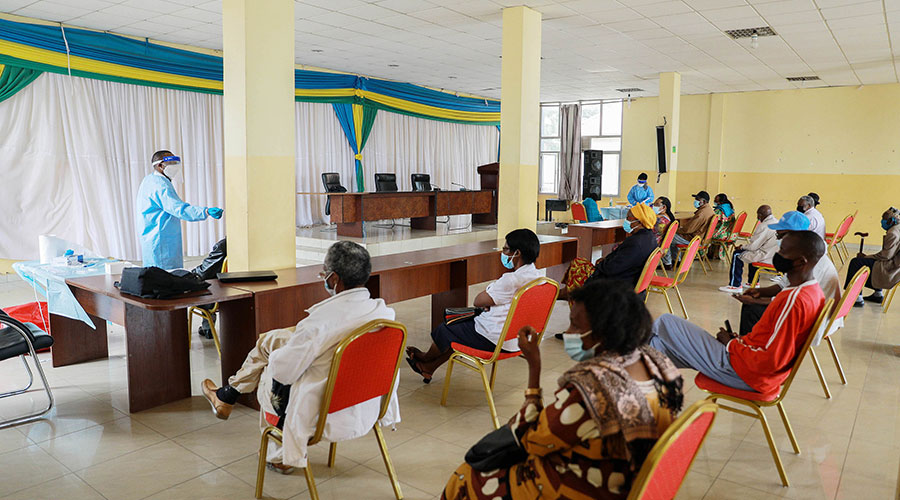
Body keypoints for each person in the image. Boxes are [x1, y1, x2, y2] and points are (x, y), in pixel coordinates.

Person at [441, 280, 684, 500]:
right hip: (631, 479)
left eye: (575, 326)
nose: (568, 334)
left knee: (465, 478)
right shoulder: (657, 363)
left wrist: (534, 370)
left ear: (602, 333)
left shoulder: (592, 389)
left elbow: (533, 439)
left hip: (583, 487)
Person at [200, 241, 398, 473]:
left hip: (323, 411)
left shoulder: (318, 323)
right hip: (365, 403)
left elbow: (284, 372)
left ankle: (279, 455)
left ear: (333, 279)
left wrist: (284, 352)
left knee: (269, 368)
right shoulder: (383, 313)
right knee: (269, 340)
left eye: (323, 274)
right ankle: (227, 395)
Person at [650, 231, 826, 394]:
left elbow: (772, 360)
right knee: (658, 346)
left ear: (800, 261)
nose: (777, 254)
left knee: (666, 322)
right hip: (748, 364)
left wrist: (731, 344)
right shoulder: (813, 292)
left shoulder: (793, 300)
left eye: (783, 250)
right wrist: (739, 341)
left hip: (744, 372)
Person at [406, 229, 544, 382]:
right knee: (460, 328)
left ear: (517, 253)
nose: (503, 253)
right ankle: (428, 368)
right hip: (521, 339)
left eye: (505, 249)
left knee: (447, 327)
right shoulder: (540, 279)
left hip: (497, 340)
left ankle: (425, 358)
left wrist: (490, 299)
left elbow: (478, 301)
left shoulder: (511, 280)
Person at [732, 213, 840, 335]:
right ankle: (749, 344)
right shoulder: (802, 253)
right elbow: (783, 286)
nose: (778, 239)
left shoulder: (812, 262)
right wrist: (760, 292)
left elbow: (792, 300)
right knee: (752, 306)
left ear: (795, 234)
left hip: (816, 318)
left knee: (753, 310)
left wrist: (756, 301)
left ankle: (748, 348)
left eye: (780, 235)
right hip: (806, 308)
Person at [136, 150, 223, 269]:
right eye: (171, 162)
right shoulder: (160, 185)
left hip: (154, 239)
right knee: (165, 278)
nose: (174, 166)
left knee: (156, 278)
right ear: (160, 165)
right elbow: (179, 209)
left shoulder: (149, 180)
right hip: (161, 241)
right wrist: (205, 211)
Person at [559, 204, 658, 301]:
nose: (626, 220)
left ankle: (572, 297)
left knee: (577, 265)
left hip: (616, 283)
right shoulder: (650, 238)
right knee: (579, 263)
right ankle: (567, 292)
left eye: (628, 217)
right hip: (629, 279)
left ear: (639, 222)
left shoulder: (635, 243)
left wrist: (601, 263)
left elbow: (611, 268)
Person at [845, 207, 900, 306]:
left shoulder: (893, 233)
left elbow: (886, 256)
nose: (882, 221)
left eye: (884, 219)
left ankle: (857, 298)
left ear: (891, 221)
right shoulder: (897, 228)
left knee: (856, 262)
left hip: (893, 267)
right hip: (895, 262)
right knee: (868, 262)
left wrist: (866, 257)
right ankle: (877, 294)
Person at [720, 205, 778, 293]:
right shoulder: (776, 221)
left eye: (757, 215)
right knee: (750, 253)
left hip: (765, 256)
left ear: (760, 215)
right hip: (773, 255)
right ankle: (753, 282)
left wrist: (742, 246)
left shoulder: (764, 226)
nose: (757, 217)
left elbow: (753, 246)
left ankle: (735, 285)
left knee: (737, 254)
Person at [190, 238, 227, 339]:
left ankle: (208, 328)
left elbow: (204, 272)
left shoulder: (223, 246)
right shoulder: (247, 242)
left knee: (203, 284)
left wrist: (191, 273)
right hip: (236, 291)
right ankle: (207, 327)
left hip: (219, 294)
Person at [668, 191, 714, 264]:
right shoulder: (709, 210)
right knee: (673, 236)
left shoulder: (701, 213)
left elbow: (688, 230)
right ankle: (676, 260)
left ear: (704, 201)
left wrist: (675, 230)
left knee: (668, 237)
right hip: (700, 238)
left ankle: (668, 263)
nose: (695, 201)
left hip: (693, 239)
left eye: (698, 199)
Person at [709, 193, 736, 260]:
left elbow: (712, 221)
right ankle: (714, 253)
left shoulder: (719, 210)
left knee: (704, 233)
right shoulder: (730, 208)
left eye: (716, 200)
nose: (714, 201)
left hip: (720, 233)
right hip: (729, 232)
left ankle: (700, 254)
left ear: (720, 201)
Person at [652, 196, 676, 268]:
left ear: (664, 207)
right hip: (660, 243)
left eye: (656, 205)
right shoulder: (668, 218)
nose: (654, 206)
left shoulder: (660, 220)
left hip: (654, 243)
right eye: (654, 204)